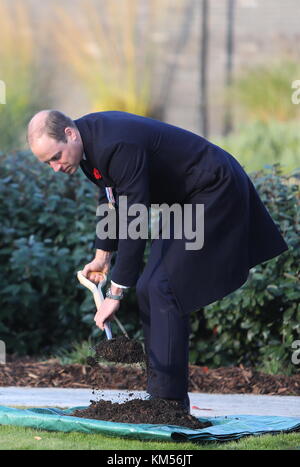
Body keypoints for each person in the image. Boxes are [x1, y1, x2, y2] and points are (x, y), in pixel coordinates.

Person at [27, 109, 288, 412]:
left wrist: (115, 293)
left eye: (55, 157)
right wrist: (103, 256)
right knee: (150, 285)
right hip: (188, 200)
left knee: (164, 286)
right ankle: (160, 397)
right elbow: (111, 199)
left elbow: (135, 220)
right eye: (48, 163)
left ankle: (170, 404)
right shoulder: (88, 145)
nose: (55, 168)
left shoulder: (115, 143)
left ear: (69, 134)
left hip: (216, 189)